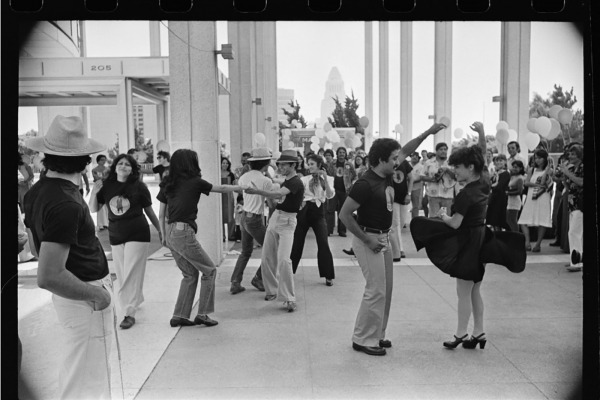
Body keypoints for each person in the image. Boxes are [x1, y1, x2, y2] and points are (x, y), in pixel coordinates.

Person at [23, 115, 114, 399]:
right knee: (87, 380)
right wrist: (99, 296)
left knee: (81, 372)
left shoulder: (37, 192)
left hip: (76, 293)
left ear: (47, 155)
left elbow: (37, 248)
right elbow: (49, 275)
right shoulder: (65, 202)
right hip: (84, 295)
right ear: (85, 160)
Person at [410, 130, 526, 352]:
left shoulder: (466, 193)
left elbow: (454, 224)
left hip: (469, 243)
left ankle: (461, 334)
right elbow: (481, 155)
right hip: (481, 239)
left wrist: (442, 215)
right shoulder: (482, 183)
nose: (455, 170)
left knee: (463, 291)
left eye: (458, 167)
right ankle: (479, 332)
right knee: (474, 290)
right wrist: (481, 132)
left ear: (470, 168)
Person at [339, 123, 447, 356]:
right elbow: (345, 215)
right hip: (369, 239)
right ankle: (363, 338)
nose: (398, 162)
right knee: (376, 289)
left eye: (397, 158)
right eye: (393, 158)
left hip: (384, 237)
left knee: (386, 289)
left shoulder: (386, 174)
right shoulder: (365, 184)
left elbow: (407, 149)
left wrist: (426, 133)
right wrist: (367, 240)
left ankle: (378, 333)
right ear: (380, 160)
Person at [157, 149, 243, 327]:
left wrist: (164, 236)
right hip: (183, 232)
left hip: (171, 232)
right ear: (191, 163)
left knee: (189, 274)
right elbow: (222, 188)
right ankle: (202, 314)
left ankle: (179, 315)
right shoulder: (194, 182)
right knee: (209, 270)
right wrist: (241, 187)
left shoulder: (168, 183)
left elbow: (161, 214)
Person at [89, 153, 161, 330]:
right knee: (122, 273)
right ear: (114, 167)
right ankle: (136, 298)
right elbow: (93, 208)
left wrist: (160, 230)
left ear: (132, 169)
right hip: (116, 234)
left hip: (138, 232)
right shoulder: (106, 186)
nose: (123, 167)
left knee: (131, 272)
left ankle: (128, 313)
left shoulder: (139, 187)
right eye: (120, 163)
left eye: (127, 165)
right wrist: (94, 192)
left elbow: (150, 211)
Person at [244, 149, 305, 312]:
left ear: (294, 165)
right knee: (266, 256)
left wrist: (257, 191)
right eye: (280, 164)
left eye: (284, 164)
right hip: (276, 218)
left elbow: (278, 193)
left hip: (288, 222)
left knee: (284, 260)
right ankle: (271, 290)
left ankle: (289, 298)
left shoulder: (296, 182)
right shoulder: (287, 179)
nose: (281, 166)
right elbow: (276, 184)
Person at [230, 147, 275, 294]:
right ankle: (258, 278)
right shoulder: (266, 180)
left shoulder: (244, 177)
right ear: (266, 163)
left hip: (244, 216)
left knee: (246, 251)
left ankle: (235, 282)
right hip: (255, 219)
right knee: (272, 249)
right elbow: (272, 204)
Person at [290, 154, 336, 286]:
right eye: (308, 164)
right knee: (297, 243)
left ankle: (328, 275)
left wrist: (325, 179)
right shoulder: (304, 179)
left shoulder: (329, 179)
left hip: (319, 211)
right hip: (304, 211)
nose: (309, 166)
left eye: (311, 164)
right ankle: (289, 272)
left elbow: (329, 195)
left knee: (323, 242)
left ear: (319, 165)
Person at [517, 149, 553, 252]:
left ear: (545, 158)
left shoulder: (549, 170)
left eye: (539, 158)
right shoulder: (531, 169)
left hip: (543, 196)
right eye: (535, 158)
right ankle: (527, 242)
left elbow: (544, 181)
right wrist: (537, 185)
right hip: (531, 196)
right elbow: (527, 183)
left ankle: (538, 244)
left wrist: (546, 170)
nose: (537, 160)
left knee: (542, 220)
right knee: (523, 220)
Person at [559, 144, 583, 271]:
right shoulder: (574, 168)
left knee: (574, 232)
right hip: (573, 204)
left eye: (573, 154)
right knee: (575, 232)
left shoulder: (584, 167)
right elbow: (570, 187)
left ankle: (577, 263)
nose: (570, 156)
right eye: (570, 154)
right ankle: (576, 259)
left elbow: (582, 182)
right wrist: (564, 178)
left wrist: (568, 173)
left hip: (581, 204)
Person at [325, 147, 357, 237]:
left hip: (345, 190)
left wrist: (352, 184)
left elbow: (355, 176)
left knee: (343, 211)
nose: (342, 154)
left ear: (345, 154)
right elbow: (327, 174)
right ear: (337, 154)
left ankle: (342, 231)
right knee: (330, 210)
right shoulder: (332, 163)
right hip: (333, 190)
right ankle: (328, 230)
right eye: (340, 152)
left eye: (343, 152)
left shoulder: (349, 164)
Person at [421, 142, 455, 218]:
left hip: (447, 196)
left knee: (446, 219)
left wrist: (447, 170)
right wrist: (433, 179)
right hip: (433, 195)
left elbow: (456, 177)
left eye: (445, 149)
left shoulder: (452, 162)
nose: (443, 151)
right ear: (436, 151)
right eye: (441, 149)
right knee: (434, 219)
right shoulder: (429, 162)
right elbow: (422, 176)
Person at [389, 157, 413, 260]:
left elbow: (411, 178)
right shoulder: (388, 162)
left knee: (402, 222)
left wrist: (409, 193)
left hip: (404, 196)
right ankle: (399, 249)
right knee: (396, 223)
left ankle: (395, 245)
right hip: (392, 197)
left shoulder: (405, 163)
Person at [486, 154, 510, 231]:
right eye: (497, 160)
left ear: (505, 162)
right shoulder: (495, 173)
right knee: (492, 218)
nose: (498, 162)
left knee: (498, 218)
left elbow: (499, 186)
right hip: (494, 197)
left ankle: (499, 234)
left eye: (501, 160)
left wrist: (491, 186)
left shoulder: (506, 173)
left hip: (501, 197)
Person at [505, 160, 525, 232]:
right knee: (508, 219)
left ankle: (516, 234)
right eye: (513, 167)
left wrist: (509, 193)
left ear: (521, 168)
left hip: (515, 200)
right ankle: (513, 232)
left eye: (516, 167)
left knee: (513, 219)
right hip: (510, 200)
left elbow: (520, 191)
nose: (514, 168)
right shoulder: (513, 176)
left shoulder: (520, 178)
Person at [220, 157, 237, 242]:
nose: (225, 164)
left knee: (230, 216)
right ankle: (221, 236)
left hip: (229, 196)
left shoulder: (231, 174)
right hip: (219, 196)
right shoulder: (217, 174)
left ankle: (231, 235)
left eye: (226, 163)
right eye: (223, 163)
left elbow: (234, 186)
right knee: (220, 216)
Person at [92, 154, 109, 231]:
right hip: (98, 187)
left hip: (106, 187)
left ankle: (107, 223)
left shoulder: (108, 169)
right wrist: (104, 178)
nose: (104, 161)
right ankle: (101, 224)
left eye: (104, 159)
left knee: (107, 206)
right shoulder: (94, 170)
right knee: (100, 206)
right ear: (98, 161)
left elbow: (108, 178)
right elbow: (96, 178)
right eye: (102, 159)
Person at [410, 152, 424, 219]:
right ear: (411, 157)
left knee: (415, 206)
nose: (414, 157)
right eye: (413, 156)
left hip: (416, 188)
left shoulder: (421, 167)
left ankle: (414, 220)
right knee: (403, 204)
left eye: (416, 156)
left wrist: (410, 181)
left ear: (418, 158)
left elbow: (420, 178)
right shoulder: (407, 165)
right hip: (406, 188)